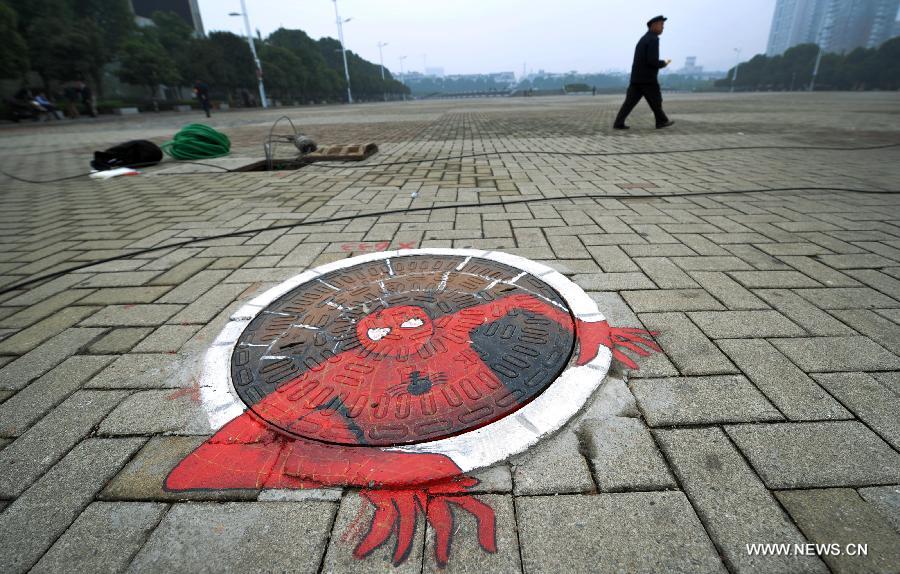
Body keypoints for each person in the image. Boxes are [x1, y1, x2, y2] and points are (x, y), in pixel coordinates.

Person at [613, 15, 675, 130]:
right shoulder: (653, 39)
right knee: (656, 100)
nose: (663, 28)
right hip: (647, 78)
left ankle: (618, 123)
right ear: (654, 25)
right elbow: (651, 61)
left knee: (629, 102)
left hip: (637, 77)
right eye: (661, 25)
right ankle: (661, 121)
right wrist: (664, 63)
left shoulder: (644, 39)